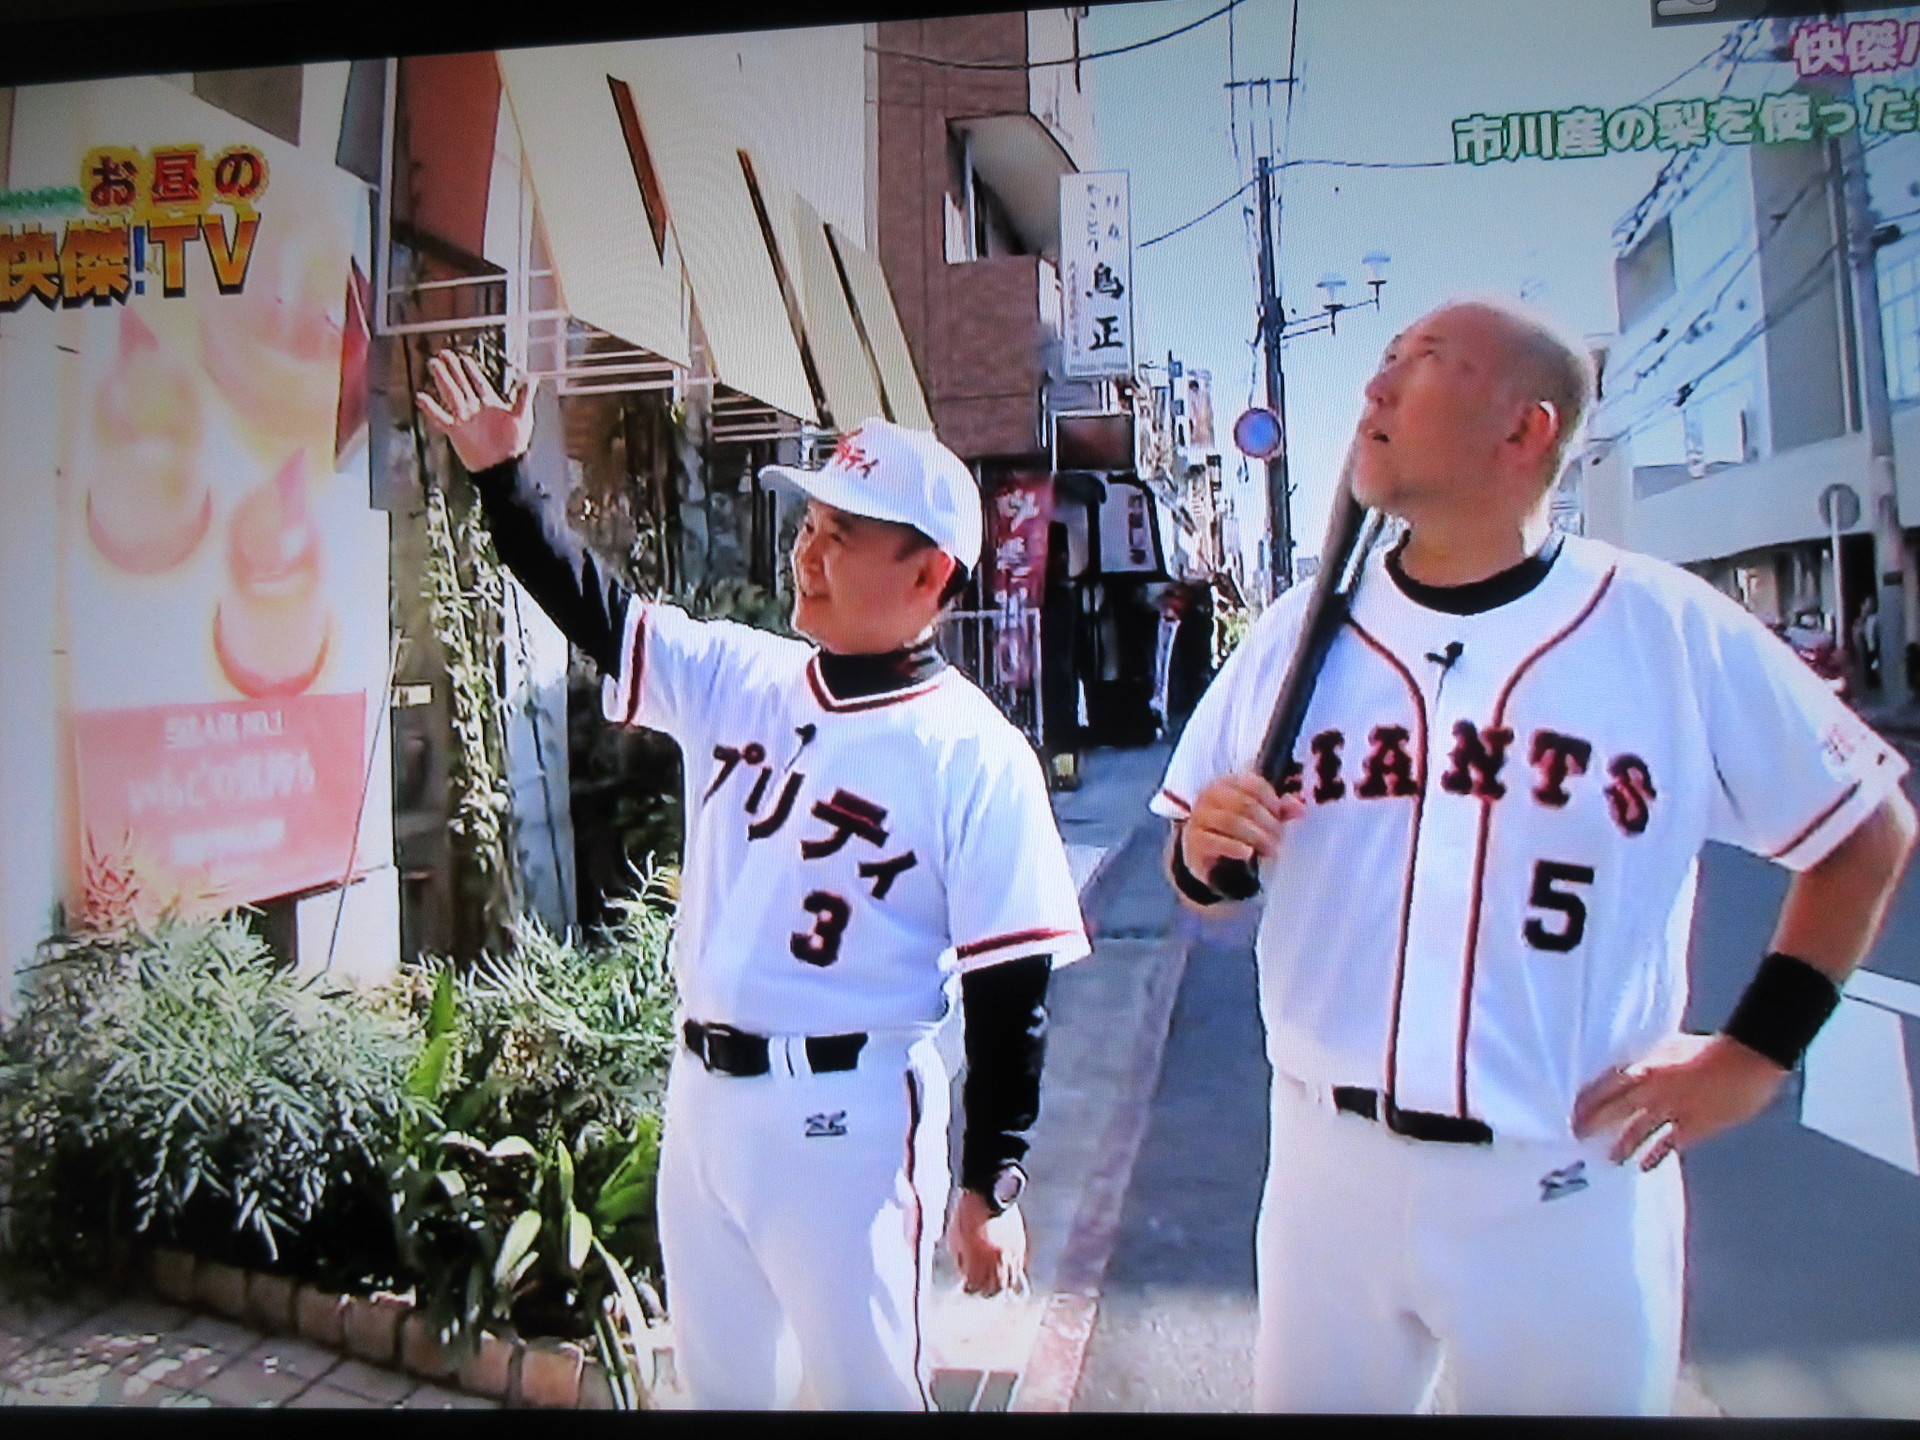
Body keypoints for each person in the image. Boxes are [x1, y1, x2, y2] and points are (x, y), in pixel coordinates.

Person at [1152, 299, 1917, 1415]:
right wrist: (1198, 848)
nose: (1377, 387)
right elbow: (1200, 881)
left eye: (1424, 365)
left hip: (1563, 1188)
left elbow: (1866, 829)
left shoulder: (1665, 628)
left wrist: (1755, 1055)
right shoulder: (1296, 634)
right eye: (1383, 360)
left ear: (1524, 430)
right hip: (1327, 1176)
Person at [416, 353, 1089, 1410]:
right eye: (810, 525)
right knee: (724, 1389)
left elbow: (1015, 992)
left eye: (843, 535)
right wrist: (504, 480)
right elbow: (596, 608)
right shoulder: (743, 674)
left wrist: (989, 1182)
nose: (807, 553)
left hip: (852, 1117)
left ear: (929, 577)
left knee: (865, 1392)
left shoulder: (975, 751)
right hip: (704, 1105)